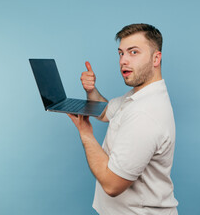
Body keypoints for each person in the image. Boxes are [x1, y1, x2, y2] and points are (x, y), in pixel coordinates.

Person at [68, 23, 178, 215]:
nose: (123, 61)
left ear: (156, 58)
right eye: (121, 53)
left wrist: (85, 133)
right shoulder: (138, 96)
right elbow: (104, 112)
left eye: (133, 52)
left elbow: (112, 185)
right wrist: (91, 91)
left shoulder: (145, 114)